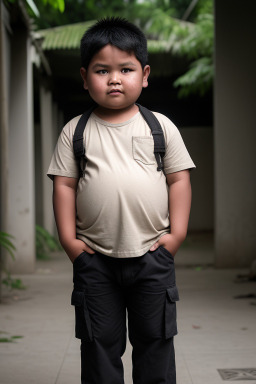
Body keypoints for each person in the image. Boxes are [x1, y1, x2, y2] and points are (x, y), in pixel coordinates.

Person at [47, 17, 195, 384]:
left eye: (125, 69)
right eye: (102, 70)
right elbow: (64, 185)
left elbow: (179, 179)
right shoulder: (75, 131)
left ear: (144, 75)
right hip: (95, 260)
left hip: (152, 256)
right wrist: (70, 243)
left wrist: (175, 237)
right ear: (85, 78)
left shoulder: (160, 126)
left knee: (156, 343)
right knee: (98, 346)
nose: (114, 78)